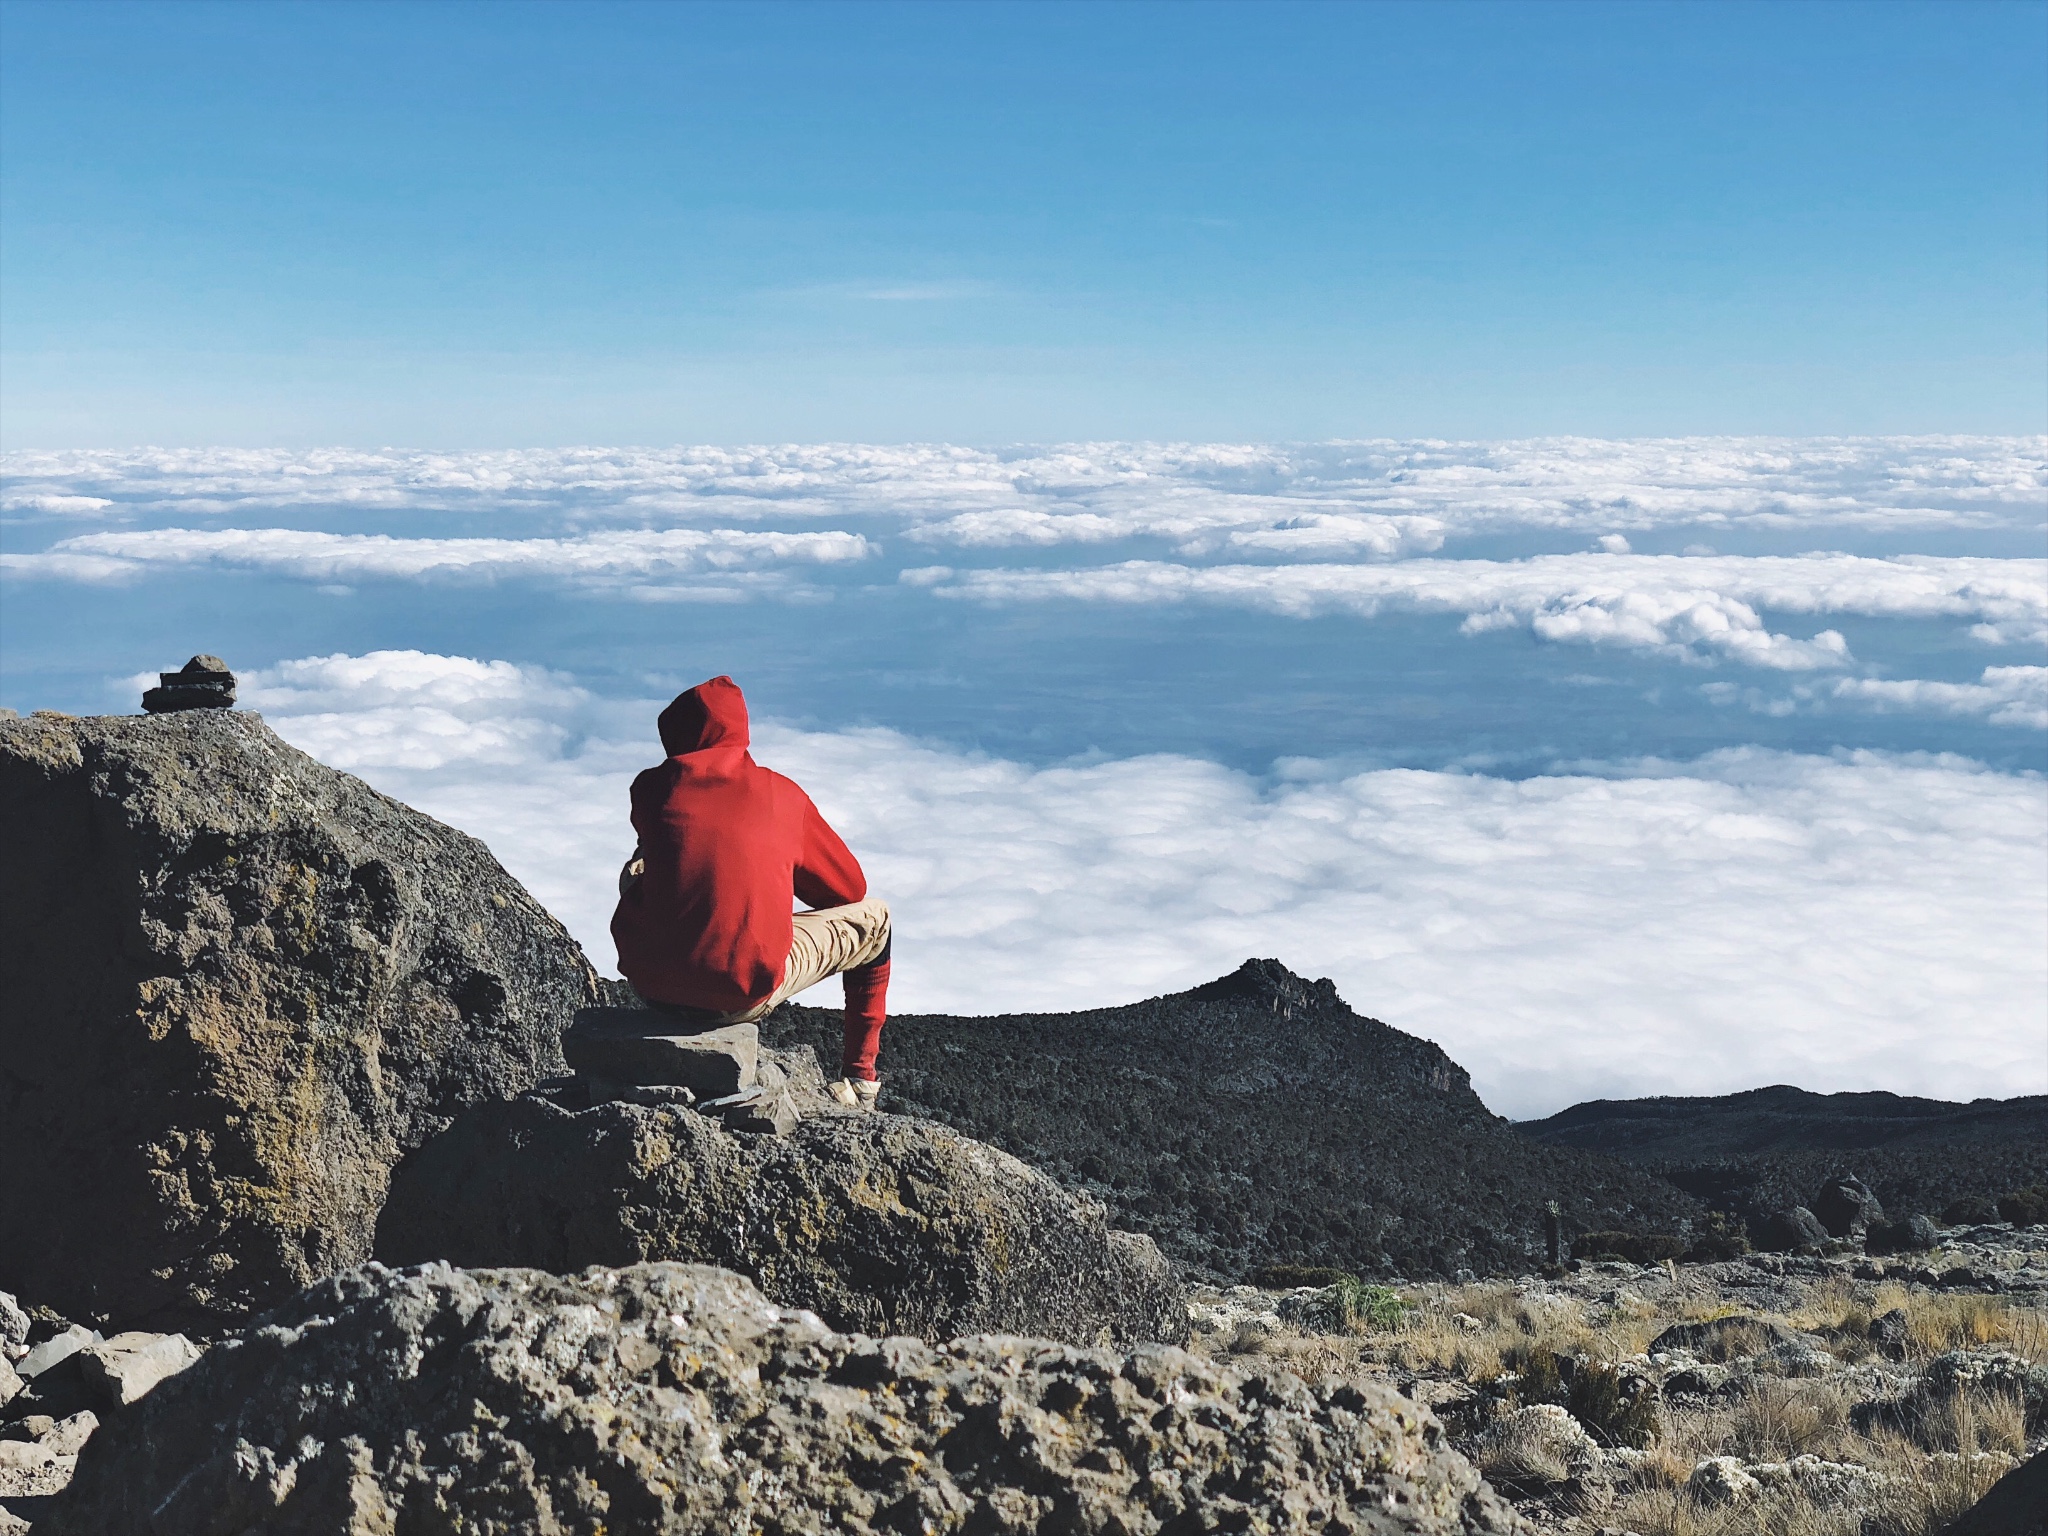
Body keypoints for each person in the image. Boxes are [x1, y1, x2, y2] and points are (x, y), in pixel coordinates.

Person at [610, 675, 891, 1110]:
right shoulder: (781, 795)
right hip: (741, 994)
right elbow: (850, 889)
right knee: (877, 922)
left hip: (650, 984)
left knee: (643, 861)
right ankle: (861, 1078)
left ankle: (673, 972)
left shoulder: (648, 789)